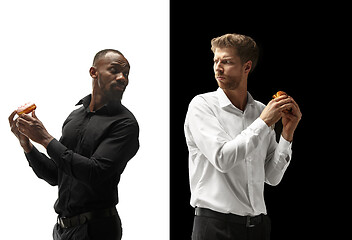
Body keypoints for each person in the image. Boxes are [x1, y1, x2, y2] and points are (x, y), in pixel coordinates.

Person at [9, 49, 139, 240]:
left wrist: (45, 138)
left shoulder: (124, 124)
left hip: (97, 230)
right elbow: (56, 175)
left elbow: (95, 173)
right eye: (114, 70)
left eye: (126, 73)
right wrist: (27, 145)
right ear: (93, 72)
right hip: (62, 230)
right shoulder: (74, 117)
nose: (122, 78)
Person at [184, 33, 302, 240]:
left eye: (227, 62)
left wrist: (287, 133)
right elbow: (222, 158)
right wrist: (263, 123)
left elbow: (272, 178)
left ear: (247, 67)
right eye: (215, 61)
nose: (218, 68)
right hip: (215, 227)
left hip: (258, 228)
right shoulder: (201, 106)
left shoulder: (261, 111)